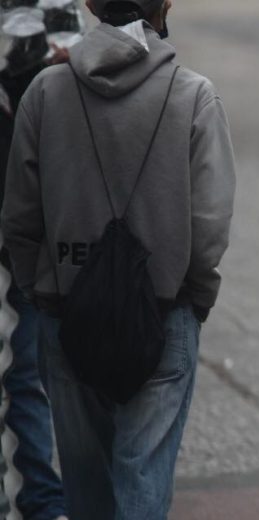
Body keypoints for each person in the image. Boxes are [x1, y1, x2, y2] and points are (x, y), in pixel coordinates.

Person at [1, 0, 235, 517]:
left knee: (85, 483)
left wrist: (42, 288)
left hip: (67, 307)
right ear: (166, 3)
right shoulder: (193, 94)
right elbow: (210, 224)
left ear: (88, 5)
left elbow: (20, 216)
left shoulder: (44, 92)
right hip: (163, 307)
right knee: (144, 479)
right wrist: (195, 298)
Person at [0, 4, 85, 519]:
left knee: (31, 366)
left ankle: (43, 499)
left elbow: (68, 43)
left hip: (38, 216)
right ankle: (41, 498)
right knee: (30, 368)